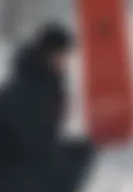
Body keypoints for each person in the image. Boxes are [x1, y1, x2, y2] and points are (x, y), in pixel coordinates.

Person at [0, 23, 95, 192]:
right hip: (10, 174)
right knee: (71, 165)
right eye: (62, 55)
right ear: (48, 54)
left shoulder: (44, 82)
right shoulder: (30, 89)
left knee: (80, 153)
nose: (65, 61)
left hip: (20, 164)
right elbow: (32, 144)